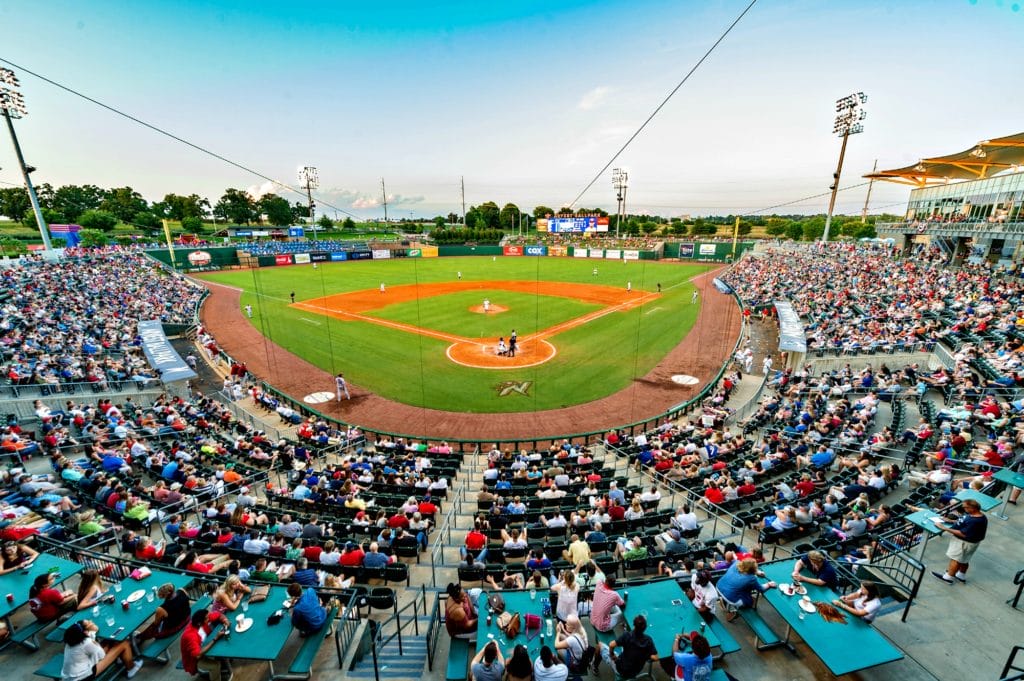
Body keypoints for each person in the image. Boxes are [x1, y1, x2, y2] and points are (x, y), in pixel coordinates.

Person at [61, 619, 143, 681]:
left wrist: (106, 644)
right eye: (89, 623)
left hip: (69, 675)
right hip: (83, 676)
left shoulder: (72, 640)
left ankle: (120, 658)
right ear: (85, 632)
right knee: (124, 643)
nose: (91, 621)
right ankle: (131, 668)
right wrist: (107, 646)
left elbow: (92, 641)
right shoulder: (87, 642)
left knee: (109, 642)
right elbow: (102, 655)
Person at [932, 498, 988, 584]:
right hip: (970, 542)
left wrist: (944, 528)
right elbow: (965, 521)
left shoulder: (975, 521)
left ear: (972, 508)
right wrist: (951, 521)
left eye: (965, 507)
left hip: (964, 542)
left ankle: (948, 577)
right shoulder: (978, 516)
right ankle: (961, 575)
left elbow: (963, 534)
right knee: (964, 559)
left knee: (956, 560)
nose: (963, 509)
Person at [594, 614, 658, 678]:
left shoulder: (627, 636)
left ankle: (594, 666)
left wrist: (612, 655)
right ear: (645, 627)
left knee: (599, 645)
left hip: (621, 670)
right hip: (635, 672)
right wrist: (644, 655)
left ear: (634, 625)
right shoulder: (648, 640)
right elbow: (655, 657)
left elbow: (611, 644)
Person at [180, 609, 228, 681]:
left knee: (223, 647)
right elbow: (198, 655)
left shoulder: (203, 619)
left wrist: (225, 620)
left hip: (203, 647)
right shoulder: (190, 635)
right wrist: (215, 639)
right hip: (194, 660)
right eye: (207, 618)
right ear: (199, 623)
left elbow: (218, 614)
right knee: (215, 666)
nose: (209, 619)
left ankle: (223, 665)